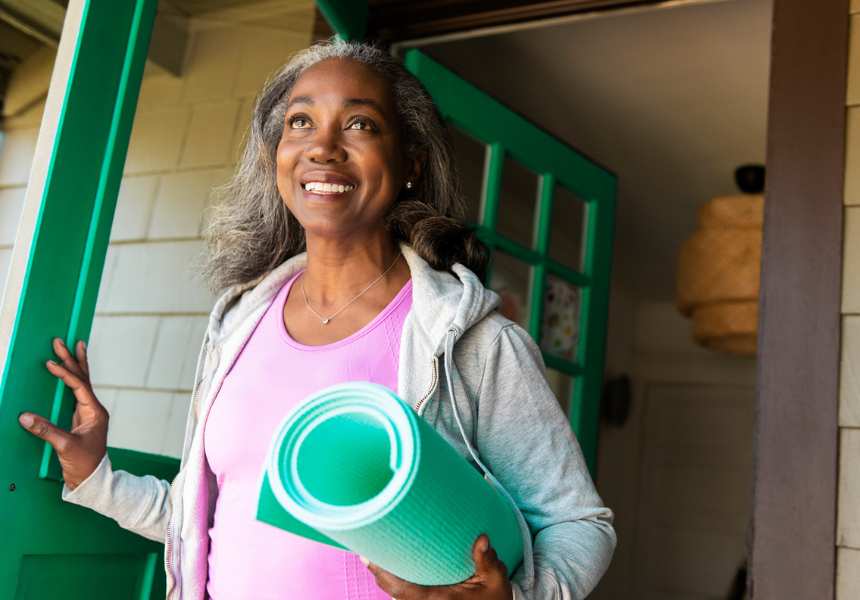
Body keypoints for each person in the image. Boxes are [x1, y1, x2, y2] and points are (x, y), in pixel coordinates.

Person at [16, 38, 616, 599]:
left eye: (359, 123)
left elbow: (579, 523)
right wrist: (96, 476)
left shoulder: (471, 342)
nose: (323, 147)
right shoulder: (238, 324)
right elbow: (212, 521)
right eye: (301, 121)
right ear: (278, 153)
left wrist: (516, 596)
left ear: (408, 160)